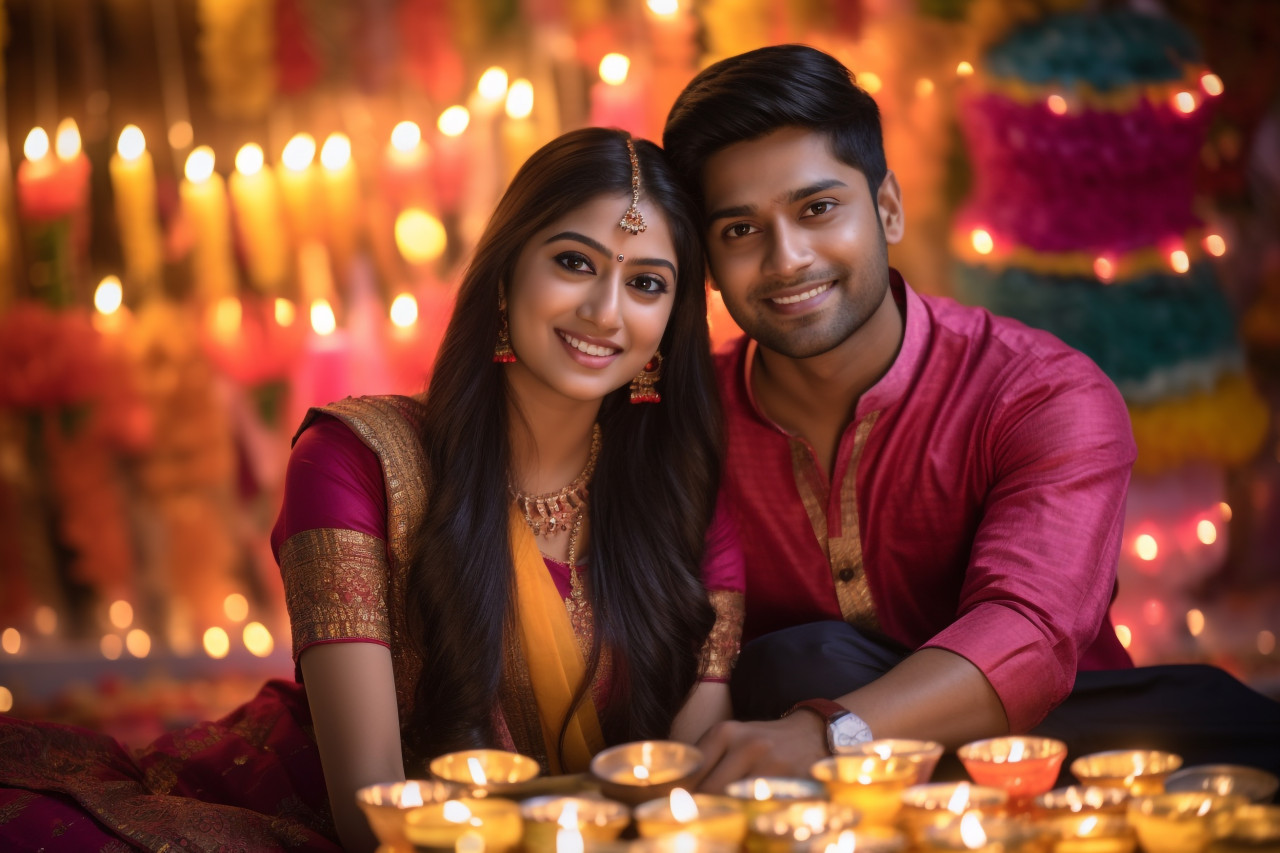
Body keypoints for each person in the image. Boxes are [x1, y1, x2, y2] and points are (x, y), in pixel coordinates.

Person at [0, 127, 744, 852]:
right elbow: (371, 812)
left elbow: (690, 778)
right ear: (505, 275)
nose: (606, 311)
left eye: (646, 283)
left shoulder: (681, 497)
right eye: (575, 263)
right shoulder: (358, 463)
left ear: (671, 325)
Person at [660, 43, 1280, 794]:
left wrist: (831, 735)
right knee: (798, 660)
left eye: (817, 209)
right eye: (740, 230)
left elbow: (1029, 632)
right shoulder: (687, 425)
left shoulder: (1040, 394)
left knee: (1222, 719)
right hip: (810, 784)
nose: (787, 258)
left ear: (887, 208)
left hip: (1058, 753)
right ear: (708, 261)